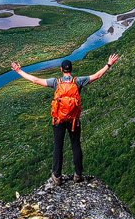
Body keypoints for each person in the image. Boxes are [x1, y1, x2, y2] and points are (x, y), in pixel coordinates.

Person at [10, 52, 118, 185]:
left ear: (61, 70)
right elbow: (97, 75)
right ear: (71, 69)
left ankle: (57, 176)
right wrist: (109, 64)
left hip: (58, 121)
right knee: (76, 146)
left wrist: (19, 70)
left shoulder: (56, 82)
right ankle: (78, 174)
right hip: (74, 121)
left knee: (58, 147)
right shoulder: (78, 81)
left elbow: (35, 80)